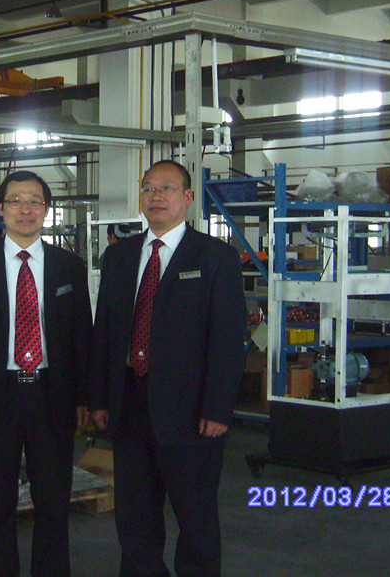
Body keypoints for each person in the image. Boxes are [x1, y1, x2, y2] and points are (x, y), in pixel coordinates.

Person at [90, 159, 246, 577]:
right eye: (148, 189)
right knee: (134, 516)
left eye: (166, 188)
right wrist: (100, 398)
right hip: (130, 405)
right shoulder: (119, 257)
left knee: (195, 516)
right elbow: (105, 332)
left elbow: (227, 340)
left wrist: (218, 408)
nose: (156, 197)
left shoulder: (215, 257)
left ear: (188, 197)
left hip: (191, 412)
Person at [0, 170, 92, 577]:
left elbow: (82, 335)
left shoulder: (69, 266)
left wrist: (84, 396)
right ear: (0, 209)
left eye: (34, 202)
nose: (25, 210)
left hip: (52, 394)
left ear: (46, 209)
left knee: (53, 503)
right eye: (15, 201)